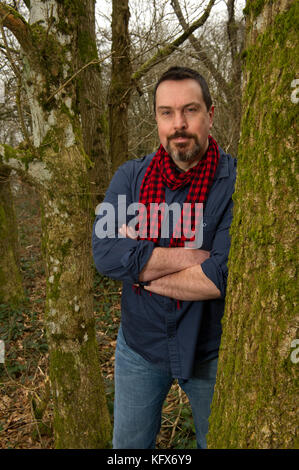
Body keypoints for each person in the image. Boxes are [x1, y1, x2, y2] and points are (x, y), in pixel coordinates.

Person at [92, 66, 236, 449]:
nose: (179, 124)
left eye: (190, 110)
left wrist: (138, 267)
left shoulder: (236, 182)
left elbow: (216, 278)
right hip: (141, 345)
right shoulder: (131, 178)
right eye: (167, 113)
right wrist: (191, 256)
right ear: (155, 117)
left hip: (210, 350)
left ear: (210, 114)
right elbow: (105, 254)